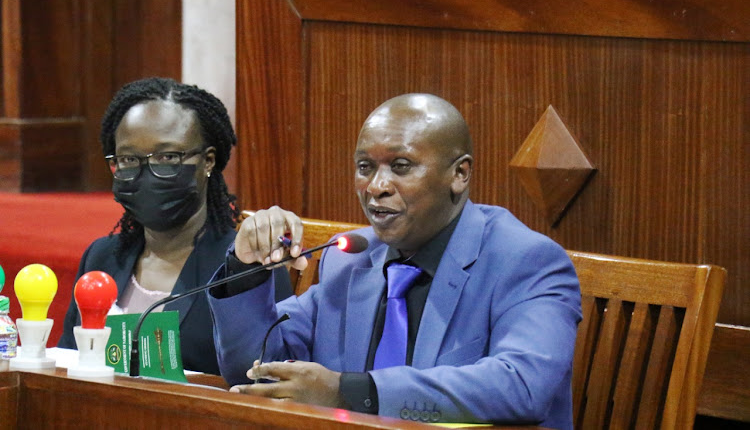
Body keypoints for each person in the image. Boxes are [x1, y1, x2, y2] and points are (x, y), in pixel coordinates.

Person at [208, 94, 582, 428]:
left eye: (401, 166)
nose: (375, 186)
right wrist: (245, 269)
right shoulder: (350, 259)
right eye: (365, 167)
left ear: (459, 174)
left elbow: (521, 385)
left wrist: (352, 392)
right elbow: (255, 370)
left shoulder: (525, 260)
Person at [59, 77, 292, 375]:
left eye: (167, 157)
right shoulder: (102, 258)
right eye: (129, 159)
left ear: (208, 161)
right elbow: (66, 363)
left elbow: (267, 380)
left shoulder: (245, 266)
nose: (146, 174)